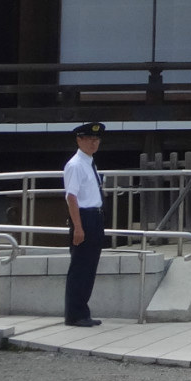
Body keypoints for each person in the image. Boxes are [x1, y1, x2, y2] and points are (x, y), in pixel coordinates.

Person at [63, 121, 106, 328]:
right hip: (84, 217)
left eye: (96, 139)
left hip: (95, 216)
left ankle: (83, 311)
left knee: (89, 268)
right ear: (79, 140)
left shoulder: (89, 162)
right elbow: (71, 197)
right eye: (89, 139)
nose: (93, 143)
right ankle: (74, 314)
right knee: (80, 268)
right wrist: (78, 227)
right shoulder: (75, 165)